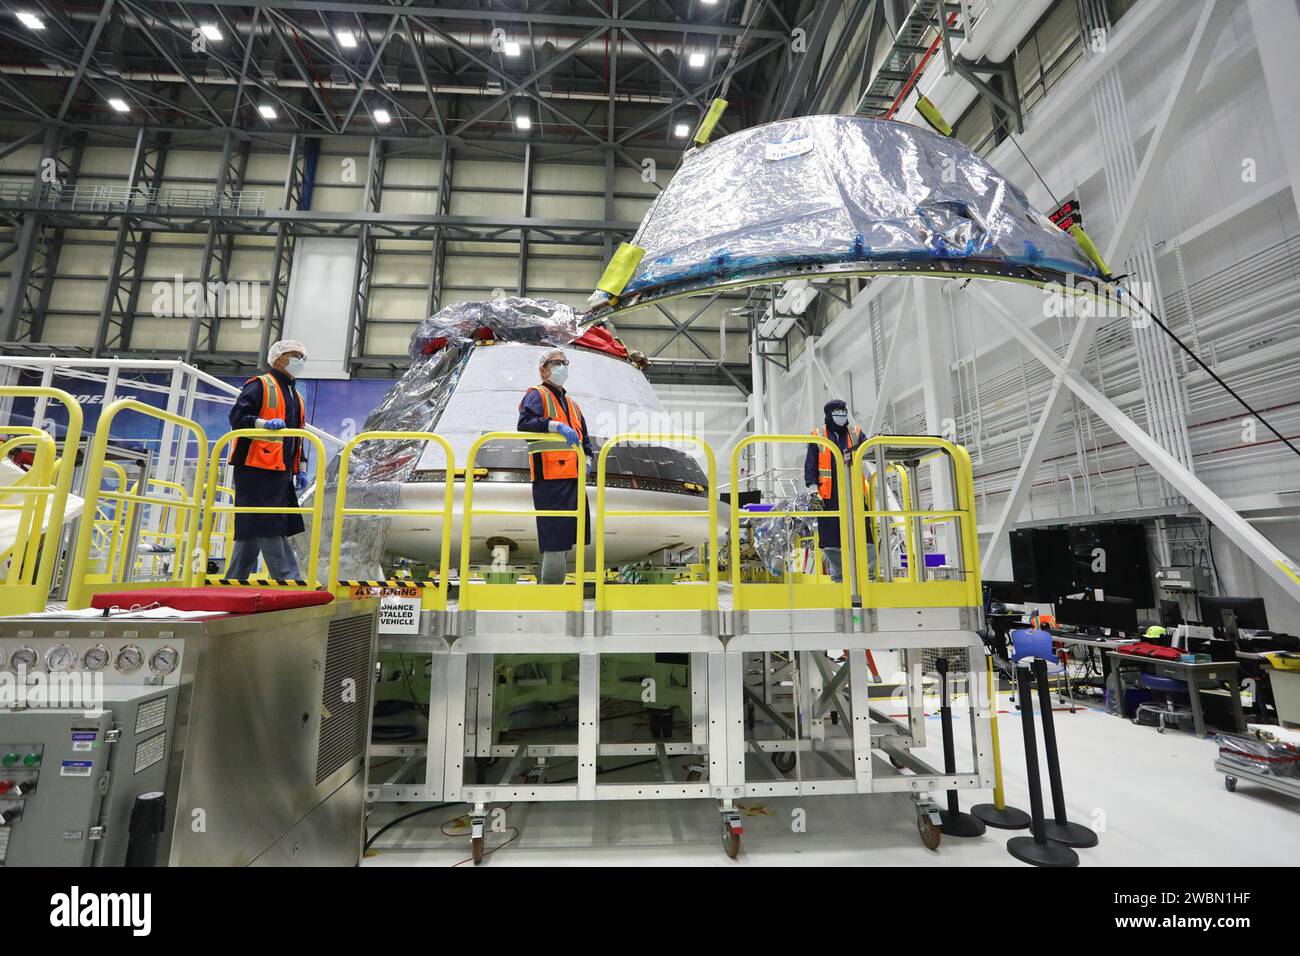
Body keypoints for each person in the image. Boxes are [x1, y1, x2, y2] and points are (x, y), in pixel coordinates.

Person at [224, 339, 310, 579]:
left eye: (302, 357)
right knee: (270, 522)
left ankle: (233, 580)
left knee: (252, 528)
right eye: (295, 356)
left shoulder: (296, 396)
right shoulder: (260, 385)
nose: (300, 361)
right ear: (279, 358)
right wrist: (263, 425)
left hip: (280, 469)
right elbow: (237, 418)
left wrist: (301, 468)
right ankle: (290, 578)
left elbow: (296, 438)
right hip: (256, 467)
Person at [518, 349, 593, 585]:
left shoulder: (573, 405)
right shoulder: (537, 394)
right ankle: (551, 589)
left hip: (574, 477)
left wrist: (588, 461)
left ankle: (554, 583)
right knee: (555, 537)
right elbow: (525, 424)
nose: (562, 367)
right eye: (556, 363)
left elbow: (585, 440)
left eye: (565, 363)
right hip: (550, 477)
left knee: (570, 534)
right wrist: (555, 426)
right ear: (543, 369)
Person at [804, 399, 871, 584]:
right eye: (837, 411)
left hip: (854, 493)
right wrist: (813, 490)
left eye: (843, 410)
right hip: (828, 496)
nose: (841, 414)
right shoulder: (818, 436)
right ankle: (839, 577)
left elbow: (870, 450)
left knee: (863, 532)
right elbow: (810, 465)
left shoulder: (855, 433)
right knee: (831, 537)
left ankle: (868, 575)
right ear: (828, 415)